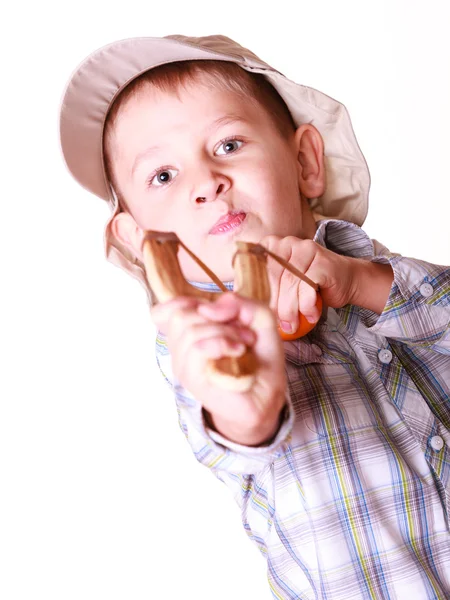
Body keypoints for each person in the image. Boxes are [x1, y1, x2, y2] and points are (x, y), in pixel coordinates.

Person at [59, 34, 450, 599]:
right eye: (163, 176)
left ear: (304, 163)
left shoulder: (372, 273)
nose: (205, 182)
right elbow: (234, 424)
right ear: (141, 240)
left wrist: (362, 282)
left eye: (228, 144)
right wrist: (244, 399)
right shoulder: (199, 335)